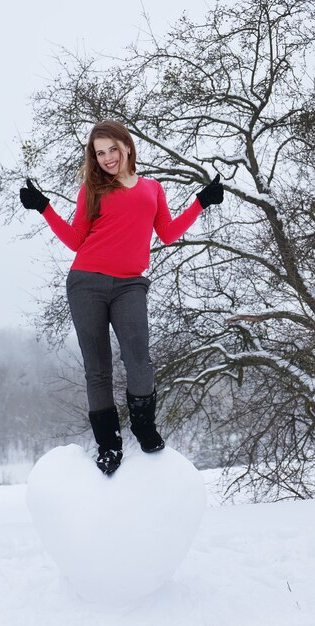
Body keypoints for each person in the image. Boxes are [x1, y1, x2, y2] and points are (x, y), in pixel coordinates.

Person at [20, 120, 223, 475]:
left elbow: (168, 232)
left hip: (131, 284)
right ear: (94, 157)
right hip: (87, 282)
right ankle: (109, 445)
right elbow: (76, 239)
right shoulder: (92, 189)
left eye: (113, 149)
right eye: (100, 153)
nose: (108, 158)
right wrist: (44, 207)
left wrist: (201, 202)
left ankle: (143, 426)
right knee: (98, 369)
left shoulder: (152, 188)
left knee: (139, 358)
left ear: (127, 146)